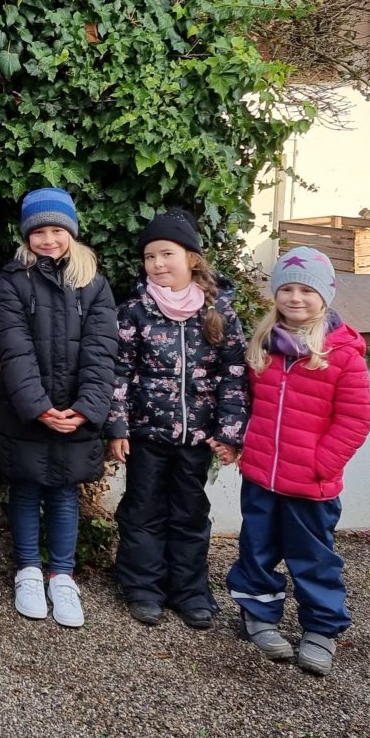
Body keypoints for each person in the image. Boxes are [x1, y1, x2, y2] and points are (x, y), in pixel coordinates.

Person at [227, 247, 370, 677]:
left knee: (313, 559)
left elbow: (355, 419)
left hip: (311, 484)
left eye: (306, 290)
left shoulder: (342, 354)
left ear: (324, 295)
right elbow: (247, 403)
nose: (295, 298)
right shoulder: (264, 346)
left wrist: (320, 464)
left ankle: (321, 630)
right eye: (287, 289)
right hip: (262, 477)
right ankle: (259, 616)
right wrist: (242, 444)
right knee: (257, 550)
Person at [107, 210, 249, 630]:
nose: (157, 264)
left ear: (192, 258)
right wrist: (118, 426)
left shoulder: (219, 312)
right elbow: (119, 372)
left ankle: (190, 591)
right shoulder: (134, 311)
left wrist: (228, 433)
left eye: (166, 254)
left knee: (189, 513)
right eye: (149, 257)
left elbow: (234, 374)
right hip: (147, 434)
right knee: (142, 511)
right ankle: (143, 588)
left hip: (198, 438)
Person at [0, 189, 116, 630]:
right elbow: (13, 348)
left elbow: (102, 351)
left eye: (56, 230)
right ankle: (27, 571)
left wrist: (86, 408)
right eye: (38, 231)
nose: (48, 239)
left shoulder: (93, 283)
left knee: (64, 493)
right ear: (27, 235)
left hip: (76, 412)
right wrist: (39, 407)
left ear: (71, 233)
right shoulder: (12, 280)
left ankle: (62, 576)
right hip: (26, 411)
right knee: (25, 489)